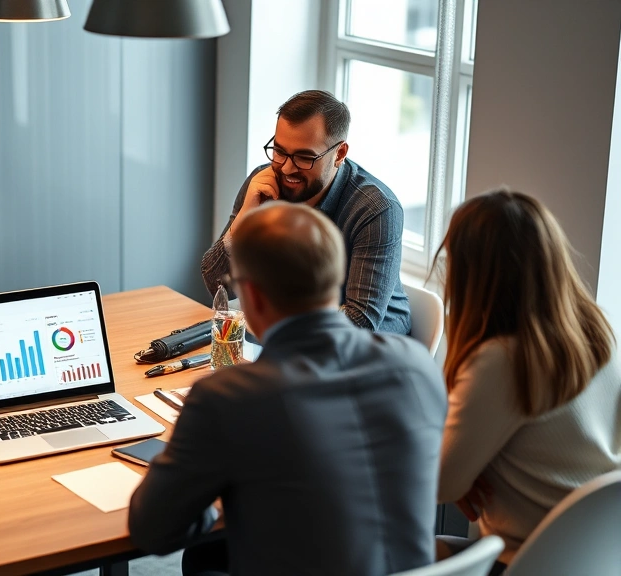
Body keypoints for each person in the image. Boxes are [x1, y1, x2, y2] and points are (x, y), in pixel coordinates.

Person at [130, 202, 447, 575]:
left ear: (251, 296)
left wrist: (212, 495)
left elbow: (152, 530)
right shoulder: (417, 365)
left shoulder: (228, 398)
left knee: (202, 558)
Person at [436, 190, 621, 574]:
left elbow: (438, 484)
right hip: (594, 560)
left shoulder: (502, 361)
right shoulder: (597, 333)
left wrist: (463, 471)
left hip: (523, 562)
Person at [201, 90, 411, 334]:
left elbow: (359, 322)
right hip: (291, 342)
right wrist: (243, 222)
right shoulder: (263, 185)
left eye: (304, 157)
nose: (287, 168)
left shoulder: (376, 209)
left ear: (339, 154)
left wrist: (271, 328)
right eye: (279, 151)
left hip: (371, 352)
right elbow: (219, 287)